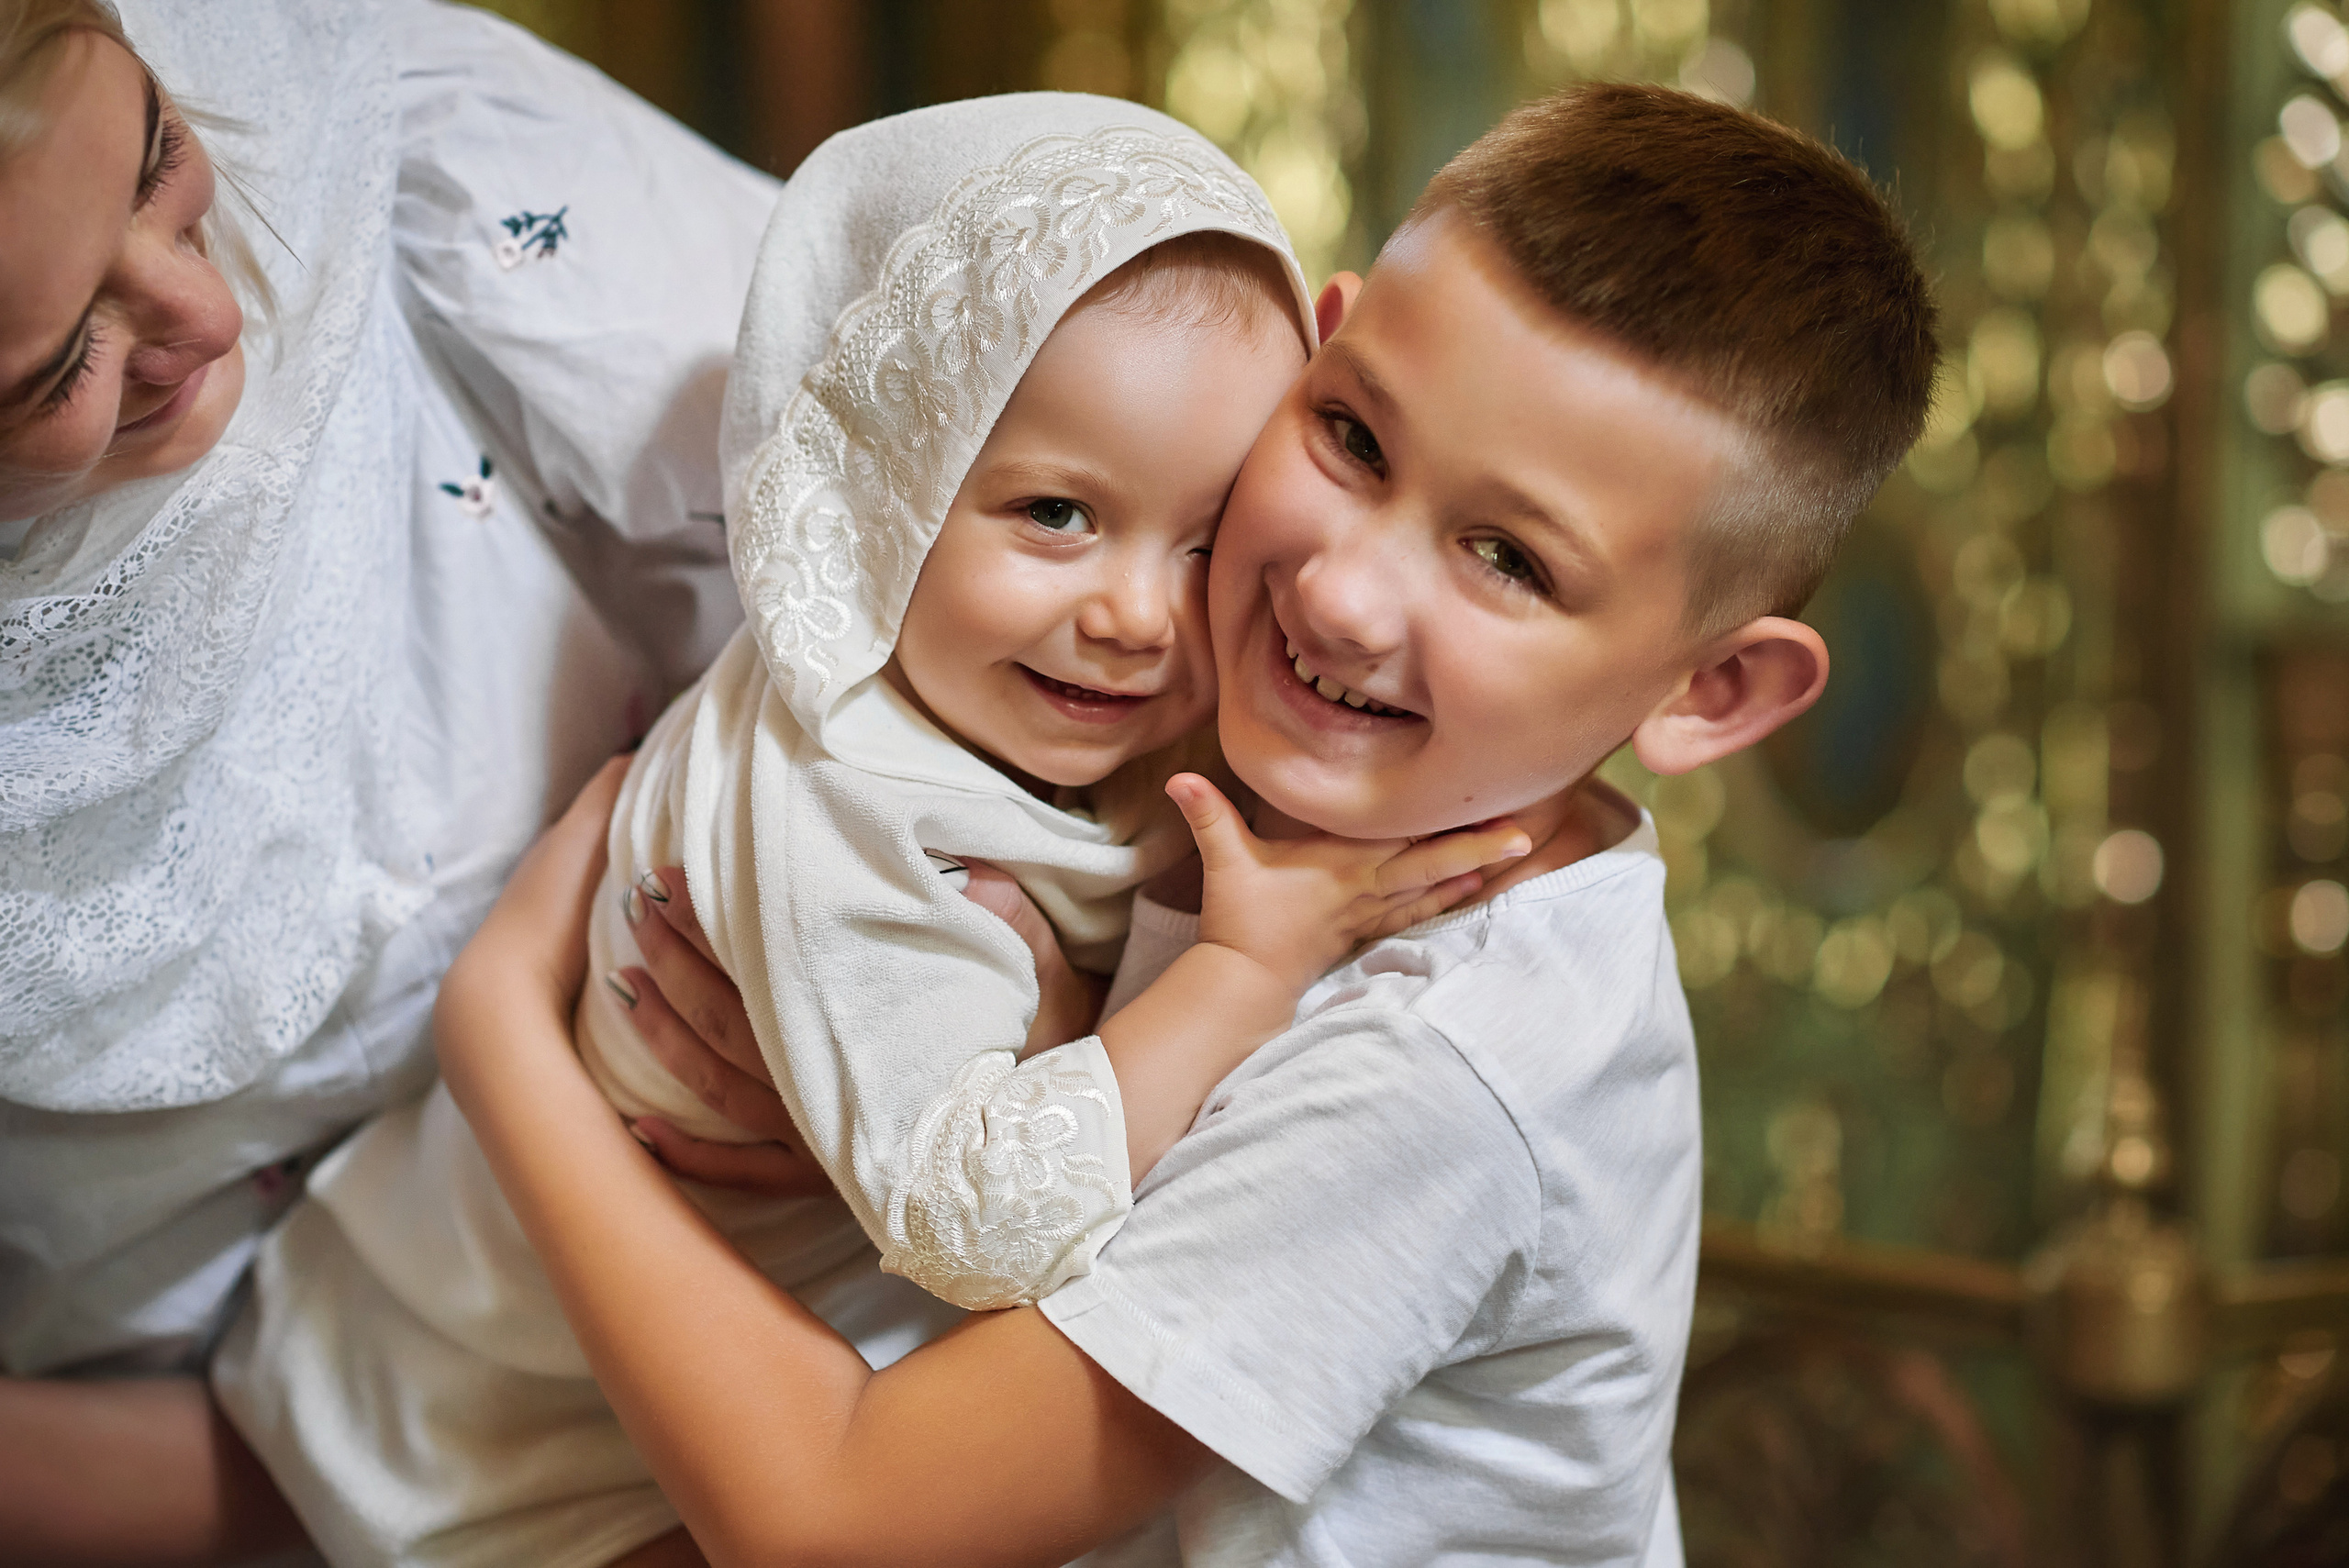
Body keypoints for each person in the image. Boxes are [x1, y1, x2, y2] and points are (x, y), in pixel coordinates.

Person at [428, 83, 1939, 1565]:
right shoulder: (1252, 730)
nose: (1339, 592)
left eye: (1508, 559)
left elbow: (833, 1521)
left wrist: (500, 1038)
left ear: (1712, 691)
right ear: (1314, 348)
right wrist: (916, 1105)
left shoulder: (1439, 1071)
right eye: (1353, 438)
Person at [189, 95, 1526, 1568]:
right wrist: (1237, 978)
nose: (1139, 615)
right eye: (1057, 514)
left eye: (1206, 538)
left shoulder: (1042, 688)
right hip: (537, 1376)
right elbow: (979, 1226)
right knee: (257, 1489)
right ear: (884, 487)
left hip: (686, 1321)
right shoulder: (845, 807)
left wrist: (1074, 1009)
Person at [0, 0, 777, 1551]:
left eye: (158, 158)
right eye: (60, 362)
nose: (207, 312)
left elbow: (966, 526)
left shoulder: (414, 148)